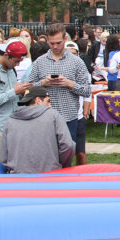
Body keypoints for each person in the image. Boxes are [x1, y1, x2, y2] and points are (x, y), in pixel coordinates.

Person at [25, 24, 92, 164]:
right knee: (45, 158)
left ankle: (65, 182)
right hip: (43, 117)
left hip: (68, 117)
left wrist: (70, 84)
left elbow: (86, 91)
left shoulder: (77, 62)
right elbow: (27, 90)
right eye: (51, 43)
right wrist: (42, 83)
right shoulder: (39, 62)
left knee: (66, 157)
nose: (55, 46)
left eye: (58, 43)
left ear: (65, 39)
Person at [0, 86, 75, 173]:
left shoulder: (10, 120)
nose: (50, 105)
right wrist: (60, 164)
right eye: (48, 101)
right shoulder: (53, 115)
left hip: (18, 176)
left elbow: (5, 153)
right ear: (38, 100)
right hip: (49, 175)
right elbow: (68, 145)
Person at [0, 41, 33, 159]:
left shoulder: (11, 70)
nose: (18, 65)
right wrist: (13, 92)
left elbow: (12, 96)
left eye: (20, 61)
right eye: (16, 61)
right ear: (6, 56)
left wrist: (22, 93)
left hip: (12, 125)